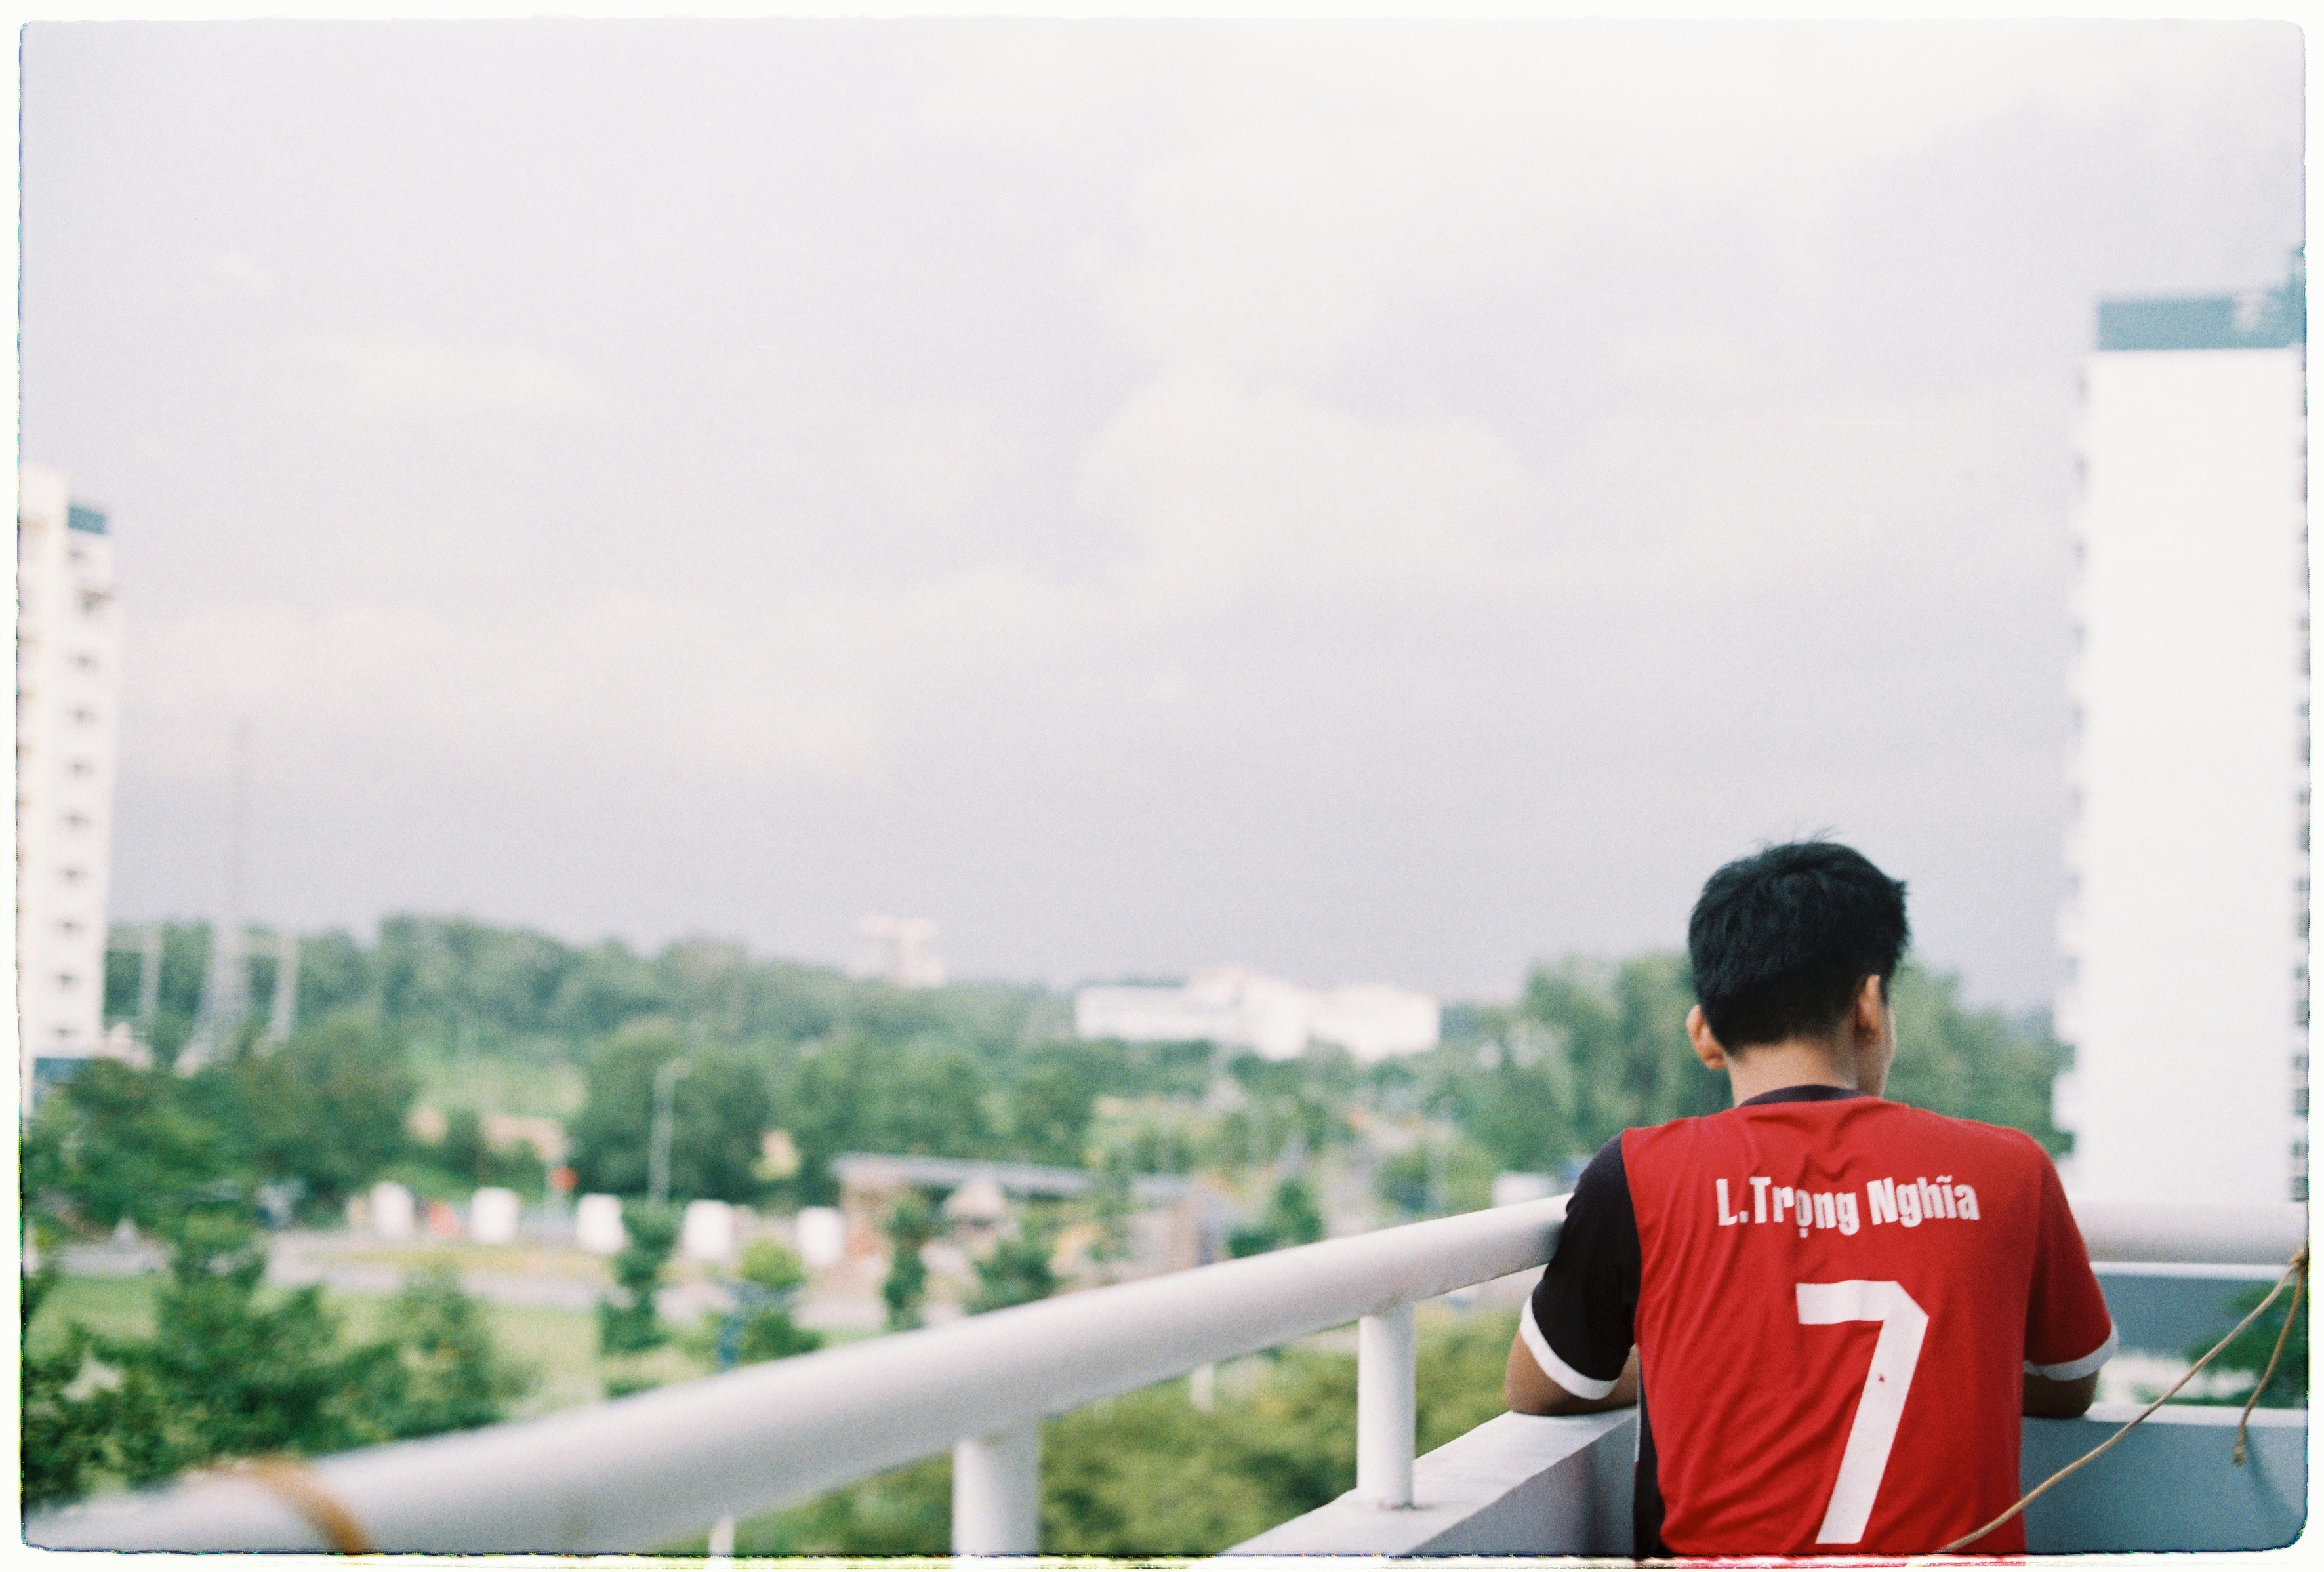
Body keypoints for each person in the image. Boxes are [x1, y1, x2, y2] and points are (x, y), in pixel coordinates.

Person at [1503, 840, 2115, 1556]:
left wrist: (1692, 1359)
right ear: (1868, 1006)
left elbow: (1542, 1387)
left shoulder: (1637, 1172)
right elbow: (2070, 1384)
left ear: (1704, 1034)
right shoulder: (2010, 1169)